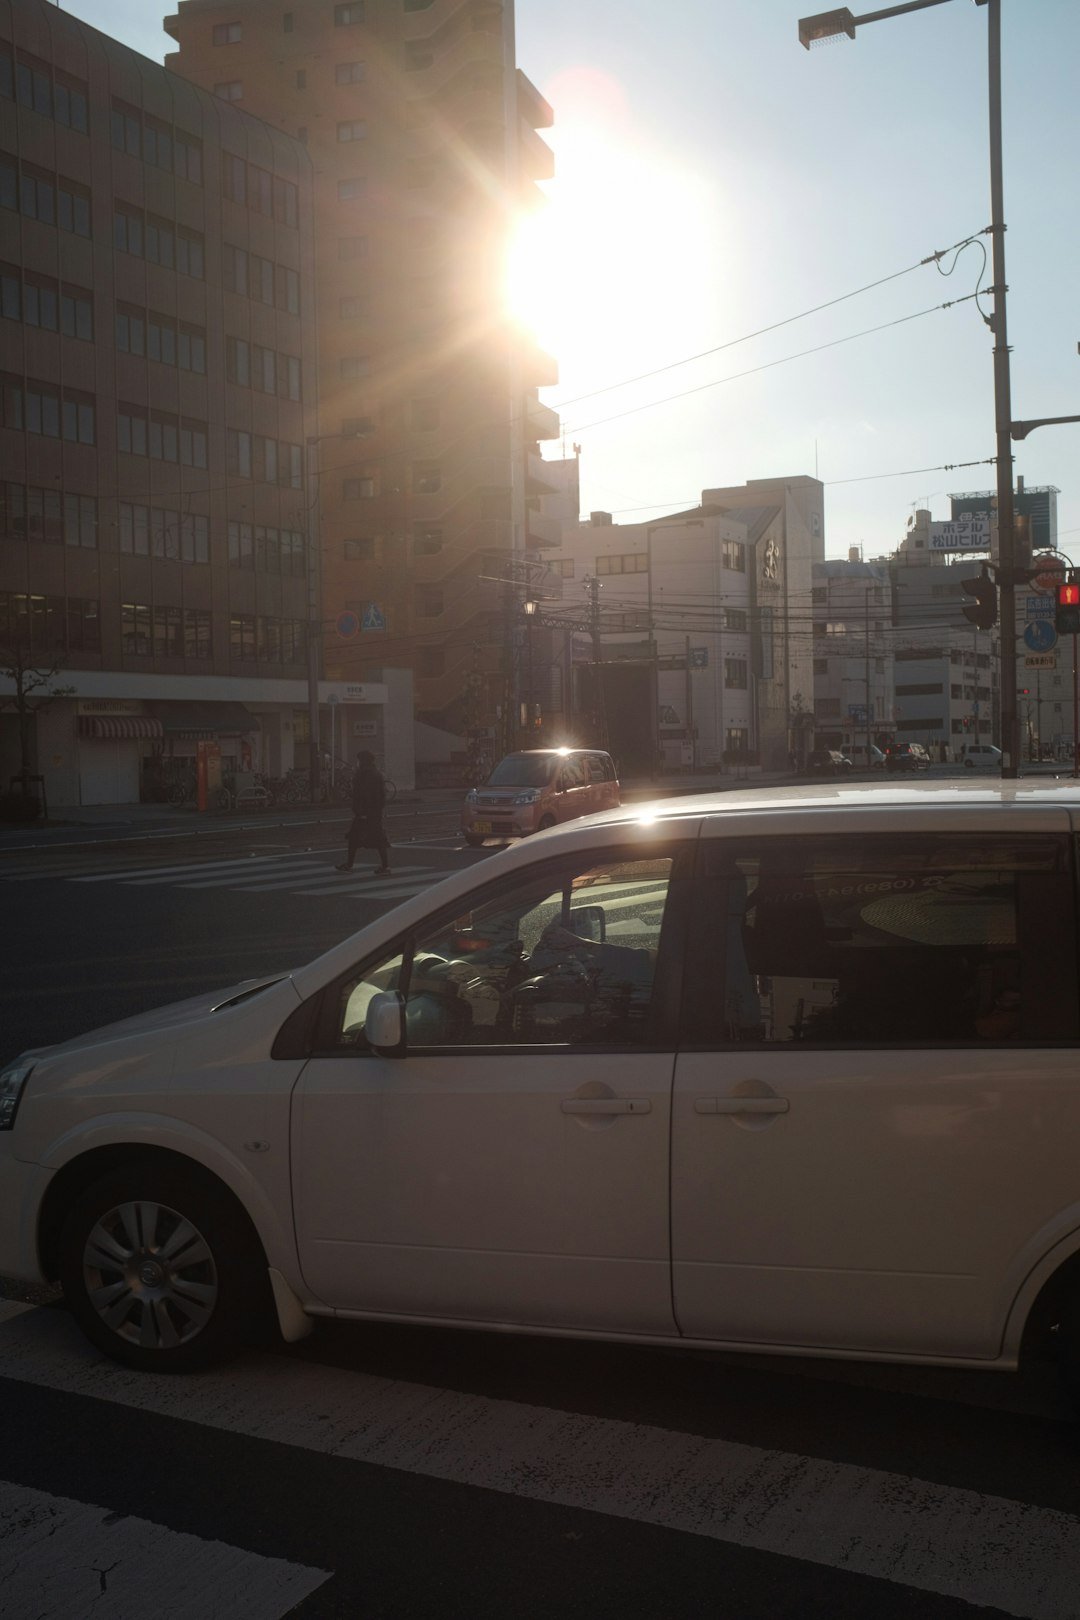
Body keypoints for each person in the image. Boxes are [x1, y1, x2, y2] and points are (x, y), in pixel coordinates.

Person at [337, 750, 391, 874]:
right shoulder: (374, 773)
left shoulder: (367, 774)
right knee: (368, 838)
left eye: (359, 760)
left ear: (363, 761)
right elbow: (379, 795)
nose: (358, 762)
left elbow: (365, 794)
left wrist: (363, 811)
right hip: (371, 813)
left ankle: (385, 866)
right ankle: (383, 866)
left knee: (373, 838)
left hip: (366, 813)